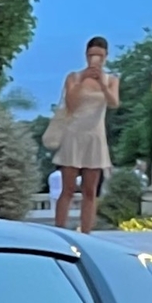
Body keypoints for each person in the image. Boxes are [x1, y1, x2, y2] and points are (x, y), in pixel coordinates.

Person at [47, 36, 119, 234]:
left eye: (100, 56)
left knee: (90, 190)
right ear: (86, 56)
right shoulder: (74, 77)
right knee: (68, 189)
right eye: (91, 55)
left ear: (106, 57)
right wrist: (84, 79)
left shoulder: (111, 80)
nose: (95, 59)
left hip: (95, 137)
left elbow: (114, 102)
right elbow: (70, 103)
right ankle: (60, 231)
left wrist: (102, 84)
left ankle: (86, 233)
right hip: (73, 135)